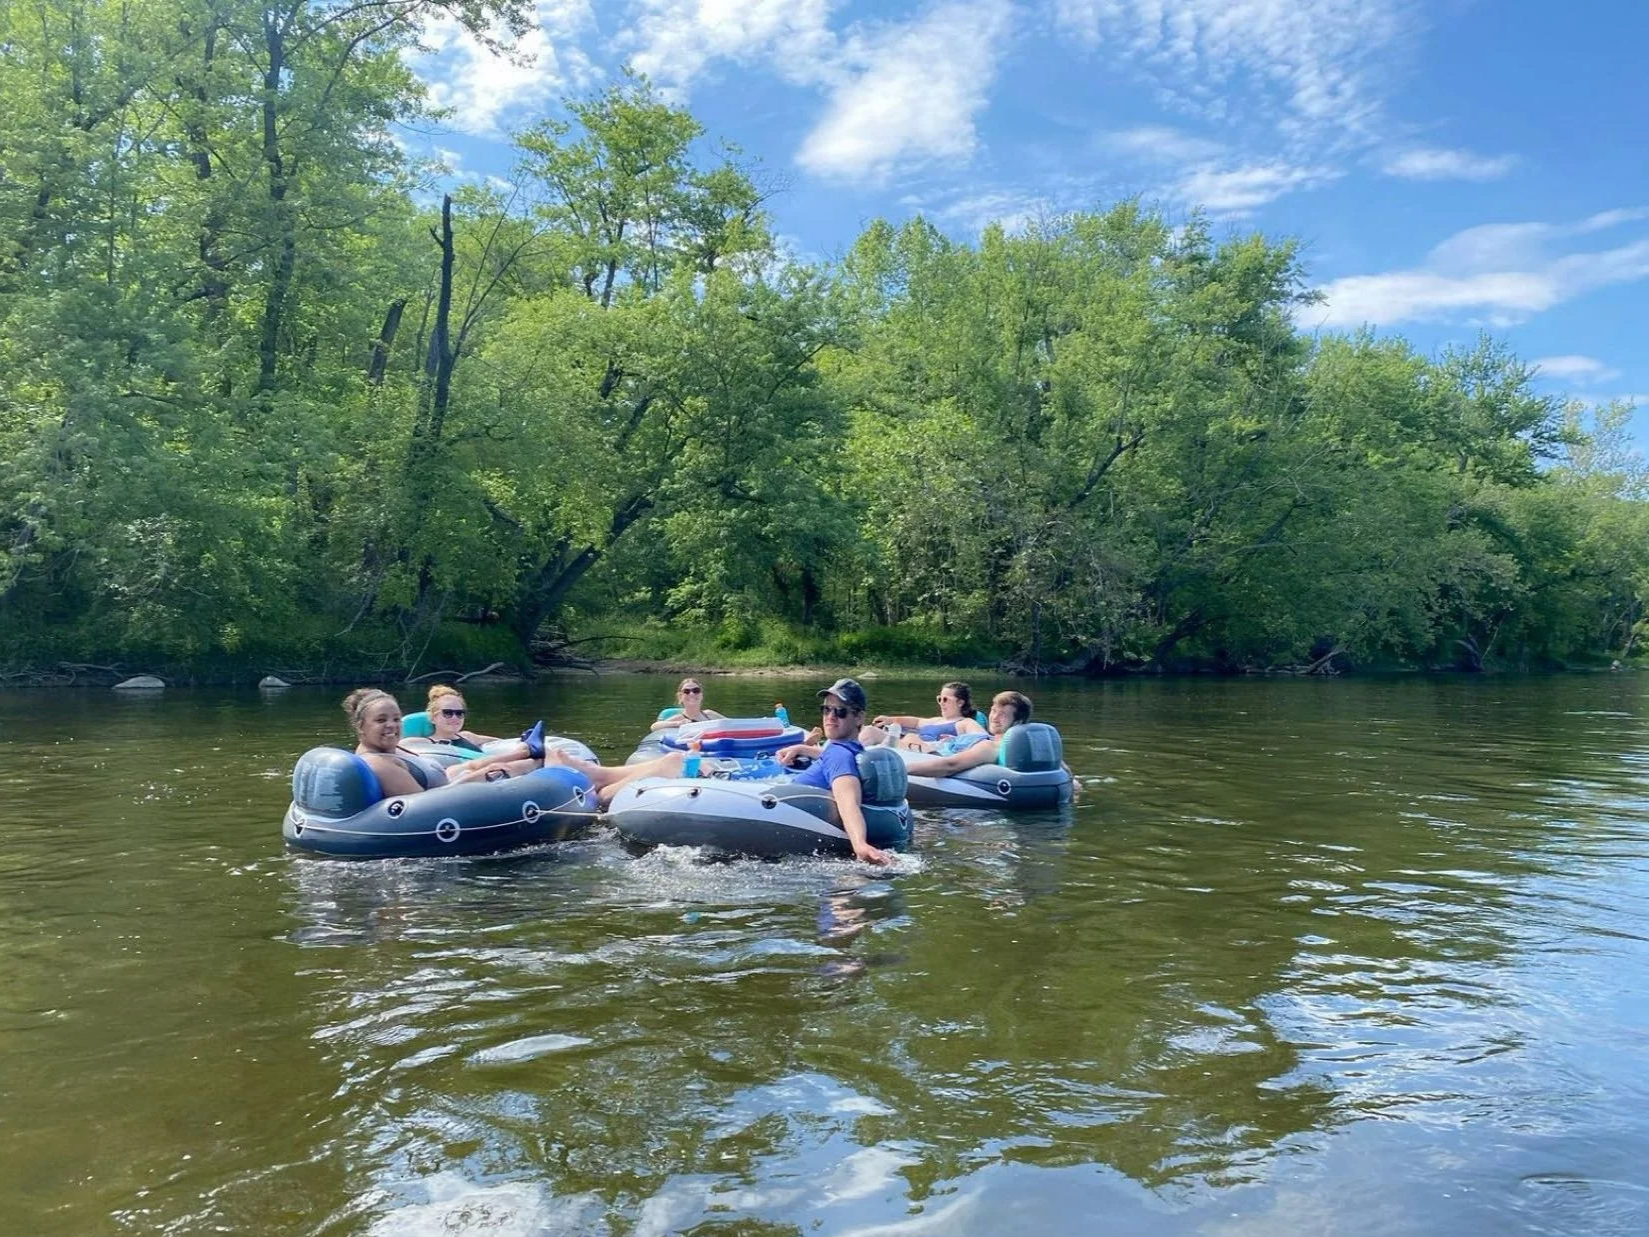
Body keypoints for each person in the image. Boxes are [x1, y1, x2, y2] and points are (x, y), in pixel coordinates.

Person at [775, 678, 891, 866]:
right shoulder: (852, 750)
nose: (830, 716)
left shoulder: (838, 754)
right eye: (826, 709)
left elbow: (848, 800)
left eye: (840, 711)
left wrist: (860, 844)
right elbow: (834, 758)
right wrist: (803, 748)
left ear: (859, 717)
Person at [903, 690, 1035, 777]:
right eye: (994, 711)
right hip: (945, 748)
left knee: (910, 737)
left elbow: (950, 766)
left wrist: (899, 771)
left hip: (936, 758)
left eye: (1003, 715)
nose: (995, 717)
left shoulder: (991, 747)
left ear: (1018, 721)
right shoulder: (1002, 742)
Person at [343, 688, 446, 797]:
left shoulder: (389, 750)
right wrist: (463, 782)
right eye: (381, 720)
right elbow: (426, 805)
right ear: (360, 726)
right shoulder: (378, 764)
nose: (391, 725)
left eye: (396, 719)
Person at [866, 681, 986, 748]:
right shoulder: (936, 720)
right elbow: (916, 721)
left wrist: (955, 741)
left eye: (946, 700)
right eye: (939, 699)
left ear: (960, 702)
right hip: (912, 747)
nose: (941, 703)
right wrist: (889, 719)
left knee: (909, 737)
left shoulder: (965, 722)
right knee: (870, 730)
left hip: (929, 751)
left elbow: (982, 737)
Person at [420, 684, 501, 752]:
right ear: (433, 718)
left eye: (459, 713)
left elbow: (502, 742)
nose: (455, 717)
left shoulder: (468, 737)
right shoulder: (426, 743)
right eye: (448, 713)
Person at [648, 678, 725, 732]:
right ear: (680, 697)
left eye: (696, 690)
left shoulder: (710, 715)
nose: (691, 694)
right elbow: (654, 727)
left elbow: (732, 724)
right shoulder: (679, 718)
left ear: (701, 695)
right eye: (686, 691)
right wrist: (678, 724)